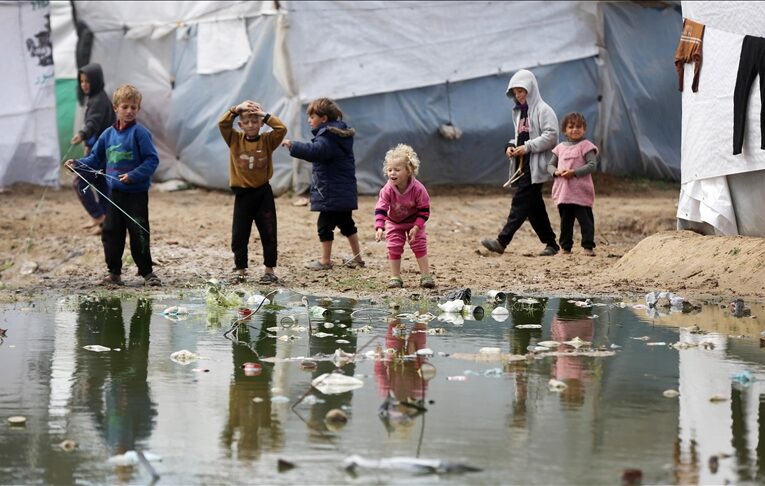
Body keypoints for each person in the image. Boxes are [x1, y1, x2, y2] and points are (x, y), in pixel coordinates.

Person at [65, 84, 161, 287]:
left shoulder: (140, 133)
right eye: (125, 107)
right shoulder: (108, 135)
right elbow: (94, 158)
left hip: (136, 194)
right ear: (115, 108)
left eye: (134, 107)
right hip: (113, 194)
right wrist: (76, 164)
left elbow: (151, 160)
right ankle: (114, 273)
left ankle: (147, 273)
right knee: (111, 233)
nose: (129, 111)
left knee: (139, 232)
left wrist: (134, 176)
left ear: (138, 110)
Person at [481, 69, 560, 257]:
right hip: (522, 164)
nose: (518, 95)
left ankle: (502, 241)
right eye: (515, 92)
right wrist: (511, 146)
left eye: (522, 91)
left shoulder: (544, 110)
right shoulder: (519, 113)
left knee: (520, 202)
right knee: (533, 207)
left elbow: (551, 136)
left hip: (536, 165)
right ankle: (551, 244)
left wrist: (528, 147)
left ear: (531, 89)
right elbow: (520, 136)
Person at [281, 97, 365, 270]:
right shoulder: (339, 136)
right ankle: (358, 258)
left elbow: (314, 151)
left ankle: (325, 261)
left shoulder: (327, 138)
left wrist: (292, 145)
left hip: (331, 192)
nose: (309, 120)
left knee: (324, 226)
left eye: (312, 117)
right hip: (342, 190)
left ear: (324, 118)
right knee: (347, 224)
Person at [219, 100, 287, 284]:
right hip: (242, 195)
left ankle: (269, 271)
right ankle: (240, 271)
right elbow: (223, 124)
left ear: (261, 124)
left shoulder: (267, 140)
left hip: (263, 193)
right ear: (241, 125)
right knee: (239, 235)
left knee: (269, 232)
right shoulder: (234, 139)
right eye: (247, 122)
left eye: (255, 121)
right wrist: (236, 109)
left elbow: (281, 129)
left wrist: (264, 114)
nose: (251, 125)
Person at [374, 144, 435, 289]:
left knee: (419, 244)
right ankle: (395, 276)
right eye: (389, 170)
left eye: (397, 169)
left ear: (409, 171)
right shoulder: (387, 190)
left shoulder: (418, 189)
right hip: (394, 223)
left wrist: (417, 226)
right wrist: (379, 227)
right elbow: (381, 207)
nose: (392, 173)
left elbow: (424, 210)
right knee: (393, 246)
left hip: (414, 222)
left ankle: (426, 276)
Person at [71, 63, 116, 235]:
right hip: (103, 150)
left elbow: (93, 123)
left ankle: (97, 215)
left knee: (79, 181)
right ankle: (107, 223)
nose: (84, 85)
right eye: (82, 81)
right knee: (101, 184)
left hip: (100, 152)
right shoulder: (98, 97)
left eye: (88, 81)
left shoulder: (98, 101)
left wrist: (82, 134)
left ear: (96, 81)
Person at [547, 112, 598, 256]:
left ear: (584, 129)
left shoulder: (586, 146)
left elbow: (592, 165)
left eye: (578, 126)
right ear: (564, 130)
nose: (575, 129)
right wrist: (556, 172)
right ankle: (565, 248)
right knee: (566, 222)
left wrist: (574, 172)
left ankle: (588, 247)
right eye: (571, 127)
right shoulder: (559, 148)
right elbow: (550, 165)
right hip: (564, 192)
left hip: (581, 192)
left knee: (585, 221)